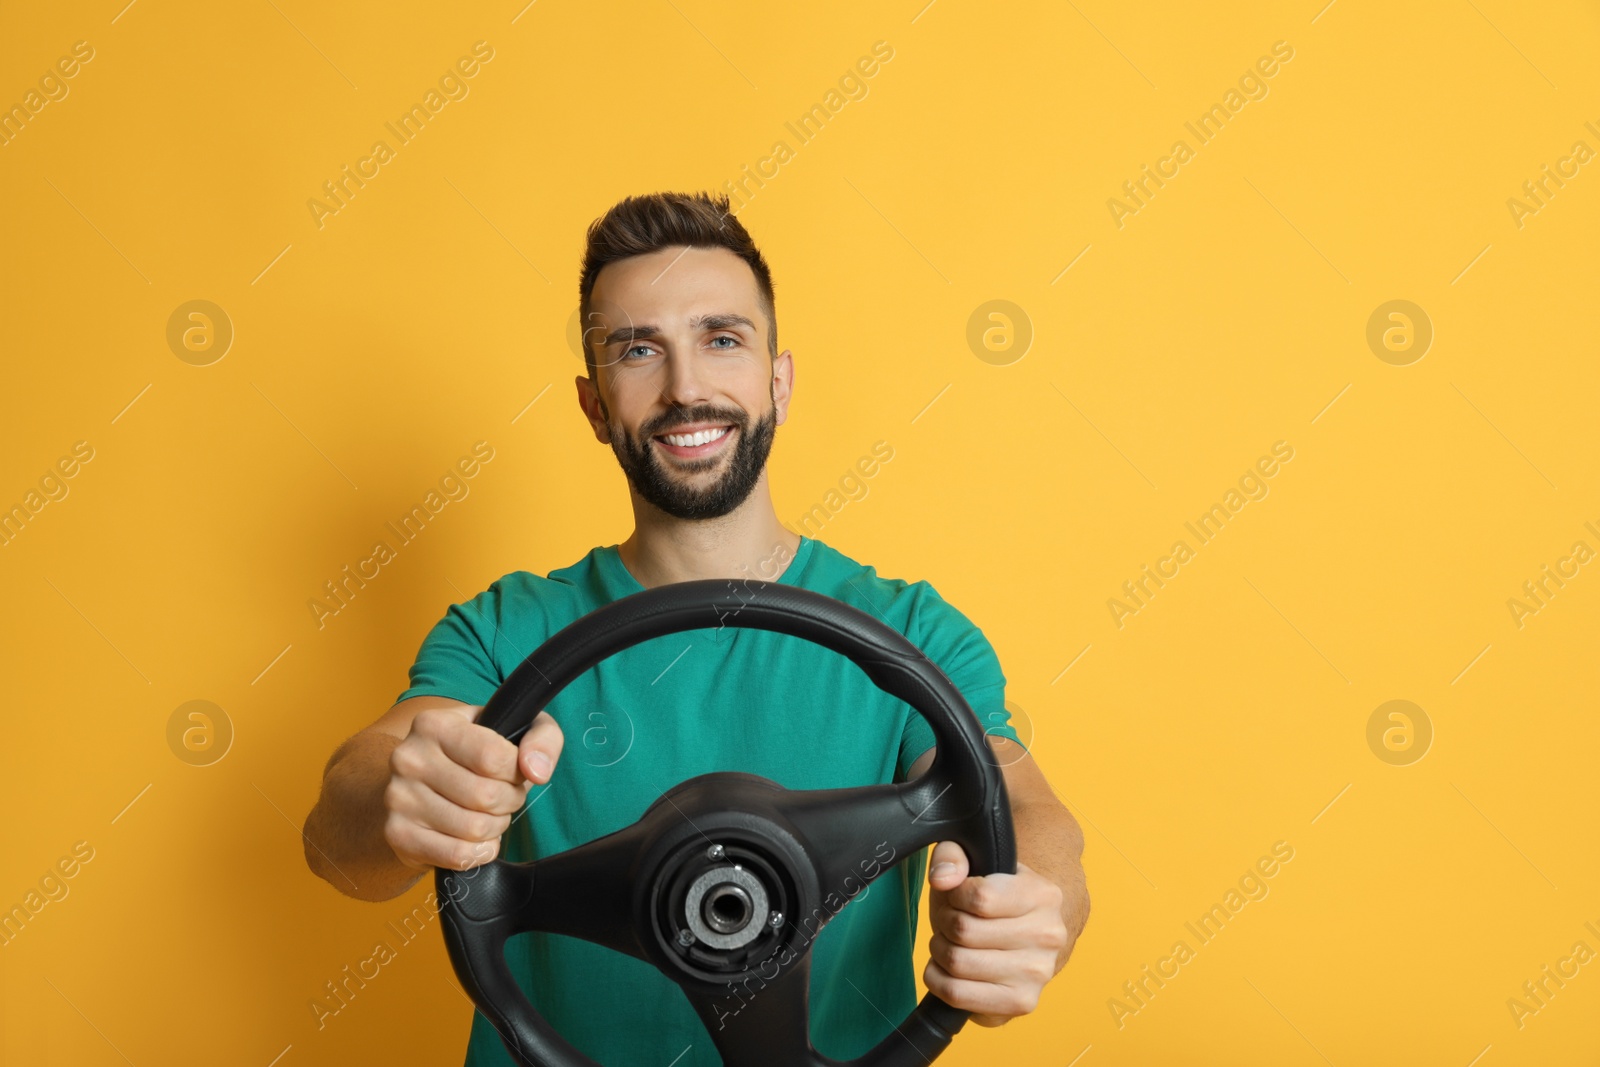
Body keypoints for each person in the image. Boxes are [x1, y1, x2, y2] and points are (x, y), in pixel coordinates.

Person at [302, 191, 1089, 1065]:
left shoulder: (908, 631)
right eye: (638, 351)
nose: (685, 388)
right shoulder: (505, 628)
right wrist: (399, 798)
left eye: (722, 339)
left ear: (777, 381)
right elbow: (345, 837)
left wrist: (1029, 904)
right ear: (595, 404)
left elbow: (1026, 810)